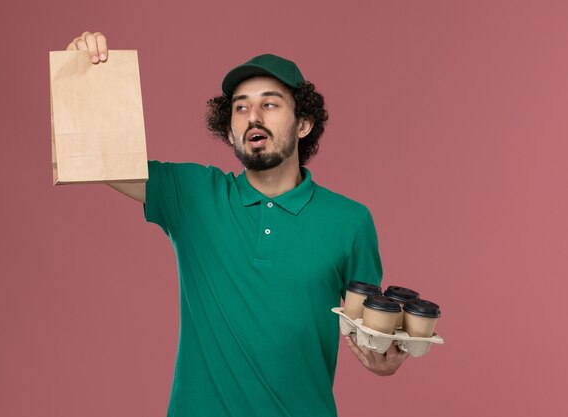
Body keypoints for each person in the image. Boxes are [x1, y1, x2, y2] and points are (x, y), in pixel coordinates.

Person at [66, 31, 408, 417]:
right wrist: (82, 73)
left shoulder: (350, 221)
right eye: (241, 108)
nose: (254, 117)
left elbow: (372, 332)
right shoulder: (193, 195)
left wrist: (387, 360)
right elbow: (95, 157)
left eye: (271, 104)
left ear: (303, 124)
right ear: (229, 130)